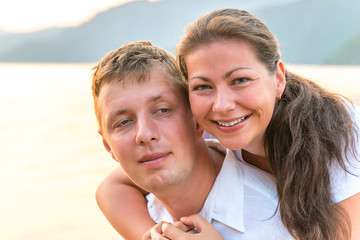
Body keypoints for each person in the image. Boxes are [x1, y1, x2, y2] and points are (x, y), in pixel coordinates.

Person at [95, 8, 360, 240]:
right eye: (203, 86)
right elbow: (112, 188)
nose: (221, 105)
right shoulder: (213, 130)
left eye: (240, 80)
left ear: (279, 78)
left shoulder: (341, 138)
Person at [93, 41, 293, 240]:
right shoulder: (148, 213)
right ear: (108, 146)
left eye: (163, 110)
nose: (144, 134)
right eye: (124, 122)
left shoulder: (277, 222)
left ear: (197, 121)